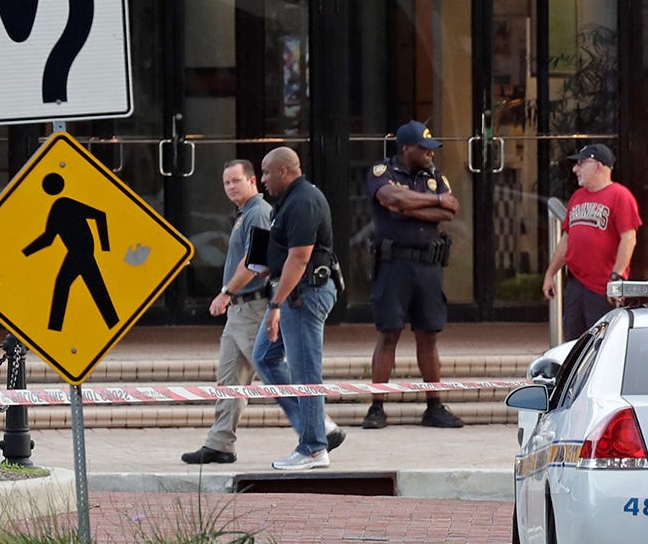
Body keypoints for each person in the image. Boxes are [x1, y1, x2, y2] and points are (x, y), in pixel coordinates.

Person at [183, 159, 342, 464]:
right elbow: (266, 258)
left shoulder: (268, 209)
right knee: (245, 371)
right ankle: (220, 442)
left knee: (301, 369)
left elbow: (289, 259)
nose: (231, 187)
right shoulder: (267, 209)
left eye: (237, 180)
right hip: (251, 306)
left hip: (263, 303)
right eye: (226, 182)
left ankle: (316, 436)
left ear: (256, 180)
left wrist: (263, 302)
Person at [361, 121, 464, 430]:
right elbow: (393, 198)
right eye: (425, 149)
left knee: (429, 335)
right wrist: (433, 202)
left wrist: (408, 206)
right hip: (394, 266)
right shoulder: (383, 172)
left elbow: (451, 210)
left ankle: (434, 405)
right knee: (388, 333)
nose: (431, 155)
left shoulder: (435, 177)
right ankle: (377, 405)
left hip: (429, 267)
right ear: (406, 149)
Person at [253, 146, 340, 471]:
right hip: (292, 294)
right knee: (264, 356)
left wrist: (275, 304)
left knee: (306, 373)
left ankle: (314, 447)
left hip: (304, 296)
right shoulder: (289, 200)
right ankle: (319, 425)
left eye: (265, 172)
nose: (262, 180)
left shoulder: (303, 200)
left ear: (284, 171)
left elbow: (300, 257)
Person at [542, 143, 640, 340]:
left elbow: (629, 238)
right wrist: (551, 273)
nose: (575, 169)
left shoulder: (620, 196)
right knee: (574, 343)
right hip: (576, 283)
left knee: (601, 343)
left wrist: (617, 276)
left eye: (581, 164)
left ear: (599, 166)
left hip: (604, 287)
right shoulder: (578, 197)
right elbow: (567, 239)